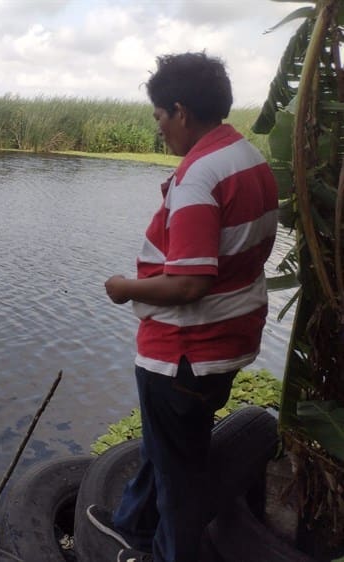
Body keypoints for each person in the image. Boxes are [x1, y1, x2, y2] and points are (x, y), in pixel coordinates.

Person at [86, 52, 279, 562]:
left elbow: (190, 283)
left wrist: (126, 287)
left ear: (180, 110)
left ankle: (165, 553)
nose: (159, 130)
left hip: (184, 352)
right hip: (224, 341)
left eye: (159, 117)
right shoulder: (248, 157)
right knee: (167, 449)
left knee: (179, 482)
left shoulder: (201, 177)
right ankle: (130, 527)